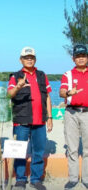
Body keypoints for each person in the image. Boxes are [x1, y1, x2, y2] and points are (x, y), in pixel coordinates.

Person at [7, 47, 53, 190]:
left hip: (40, 120)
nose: (29, 59)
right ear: (21, 60)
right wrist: (19, 86)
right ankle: (20, 179)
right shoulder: (15, 76)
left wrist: (50, 117)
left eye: (31, 57)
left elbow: (48, 97)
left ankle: (35, 179)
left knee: (38, 151)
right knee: (19, 151)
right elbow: (9, 95)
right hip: (21, 120)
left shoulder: (42, 75)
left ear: (35, 59)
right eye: (26, 57)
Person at [59, 44, 88, 190]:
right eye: (78, 56)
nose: (81, 58)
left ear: (87, 57)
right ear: (73, 58)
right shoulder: (67, 74)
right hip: (71, 113)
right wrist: (69, 93)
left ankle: (87, 178)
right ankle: (73, 178)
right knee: (72, 148)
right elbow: (62, 92)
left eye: (83, 55)